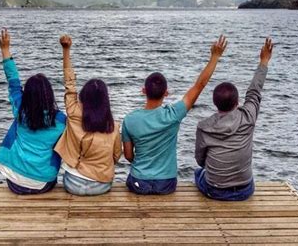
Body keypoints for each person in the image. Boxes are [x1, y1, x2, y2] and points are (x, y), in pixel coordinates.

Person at [122, 35, 228, 195]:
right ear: (166, 93)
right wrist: (215, 57)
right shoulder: (174, 114)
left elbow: (129, 156)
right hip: (166, 184)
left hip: (139, 182)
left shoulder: (129, 120)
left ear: (143, 91)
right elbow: (199, 85)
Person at [194, 37, 274, 201]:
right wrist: (264, 61)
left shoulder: (204, 127)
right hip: (245, 189)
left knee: (198, 172)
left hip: (214, 190)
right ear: (237, 103)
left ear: (215, 104)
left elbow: (200, 160)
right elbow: (254, 91)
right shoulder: (248, 116)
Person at [0, 29, 66, 195]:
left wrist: (5, 50)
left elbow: (13, 83)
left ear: (27, 94)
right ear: (50, 95)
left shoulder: (20, 110)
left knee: (17, 125)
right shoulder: (61, 121)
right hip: (43, 184)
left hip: (14, 182)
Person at [54, 35, 122, 196]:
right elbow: (116, 156)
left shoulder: (73, 112)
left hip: (73, 183)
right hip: (101, 185)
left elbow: (69, 85)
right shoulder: (113, 126)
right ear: (106, 101)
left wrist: (66, 51)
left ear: (83, 96)